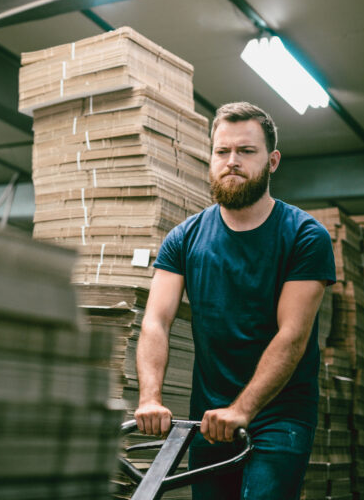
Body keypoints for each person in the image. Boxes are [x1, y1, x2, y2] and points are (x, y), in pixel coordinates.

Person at [134, 102, 336, 499]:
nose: (232, 161)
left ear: (272, 161)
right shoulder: (184, 239)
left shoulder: (304, 236)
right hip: (209, 417)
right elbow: (156, 321)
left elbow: (292, 335)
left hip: (280, 415)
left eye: (246, 151)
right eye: (222, 151)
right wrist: (150, 397)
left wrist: (243, 409)